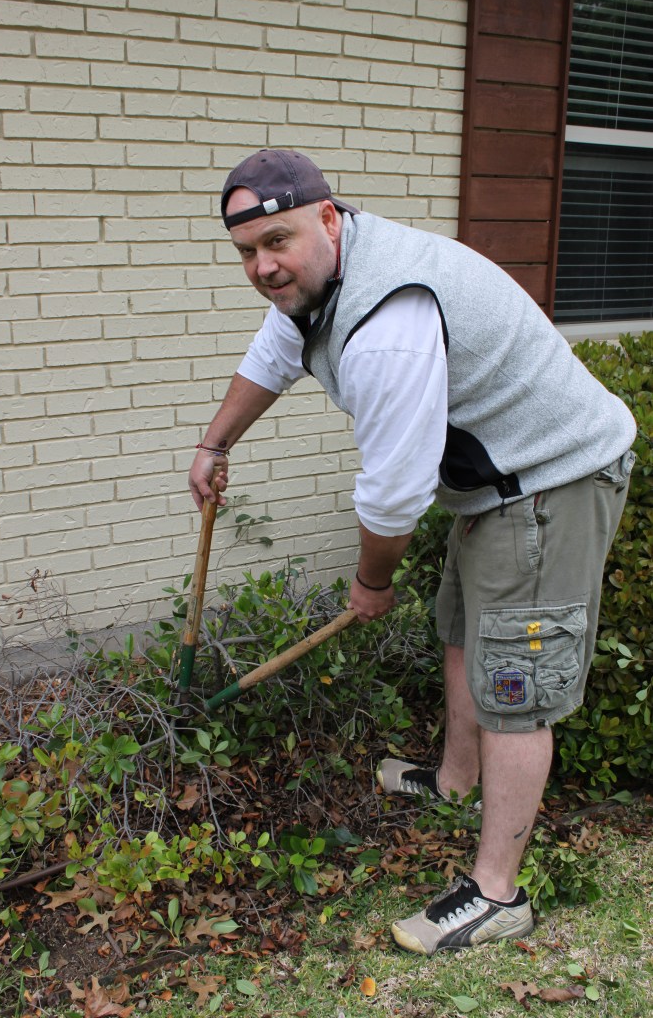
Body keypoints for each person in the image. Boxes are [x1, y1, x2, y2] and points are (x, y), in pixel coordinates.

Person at [188, 149, 636, 955]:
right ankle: (454, 781)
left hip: (551, 479)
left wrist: (371, 584)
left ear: (328, 219)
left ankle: (497, 894)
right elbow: (273, 353)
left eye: (277, 242)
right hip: (492, 486)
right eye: (247, 251)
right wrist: (214, 443)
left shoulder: (387, 326)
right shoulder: (318, 280)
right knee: (461, 628)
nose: (263, 267)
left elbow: (393, 495)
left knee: (515, 680)